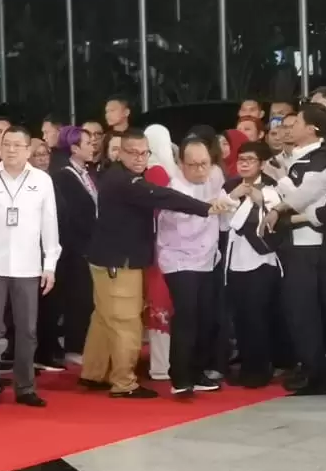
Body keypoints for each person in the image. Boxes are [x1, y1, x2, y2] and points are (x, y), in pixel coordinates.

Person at [81, 128, 221, 399]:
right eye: (132, 153)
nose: (139, 158)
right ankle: (124, 383)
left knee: (104, 318)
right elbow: (162, 196)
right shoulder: (125, 181)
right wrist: (205, 207)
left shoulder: (120, 176)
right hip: (119, 261)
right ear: (119, 153)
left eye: (144, 153)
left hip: (109, 259)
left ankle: (94, 372)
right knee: (126, 322)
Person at [0, 126, 59, 411]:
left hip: (28, 267)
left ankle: (25, 387)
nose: (11, 150)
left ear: (28, 150)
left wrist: (50, 265)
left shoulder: (42, 181)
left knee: (27, 330)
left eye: (18, 145)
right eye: (7, 144)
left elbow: (50, 226)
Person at [158, 138, 235, 396]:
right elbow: (186, 230)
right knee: (187, 316)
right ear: (181, 164)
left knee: (207, 317)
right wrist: (213, 207)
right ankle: (180, 377)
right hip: (180, 259)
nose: (201, 170)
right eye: (194, 165)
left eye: (205, 163)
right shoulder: (175, 189)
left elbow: (222, 220)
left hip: (208, 259)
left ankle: (198, 370)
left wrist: (224, 205)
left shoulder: (214, 178)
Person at [261, 104, 326, 395]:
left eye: (296, 122)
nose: (289, 128)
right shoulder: (297, 159)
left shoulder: (320, 157)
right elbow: (305, 193)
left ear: (312, 128)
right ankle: (312, 369)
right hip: (295, 244)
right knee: (299, 312)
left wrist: (280, 181)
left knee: (306, 312)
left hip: (310, 246)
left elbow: (310, 200)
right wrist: (279, 206)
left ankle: (316, 373)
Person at [223, 141, 283, 388]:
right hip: (234, 261)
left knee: (257, 317)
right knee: (240, 317)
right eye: (241, 159)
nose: (245, 164)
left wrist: (259, 201)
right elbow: (220, 220)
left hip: (261, 261)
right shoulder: (230, 187)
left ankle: (260, 370)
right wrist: (231, 197)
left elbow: (275, 221)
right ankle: (246, 366)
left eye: (250, 160)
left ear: (262, 163)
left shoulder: (270, 188)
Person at [52, 127, 98, 365]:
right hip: (75, 247)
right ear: (74, 148)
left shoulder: (87, 173)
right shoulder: (64, 176)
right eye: (88, 143)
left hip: (89, 244)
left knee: (87, 297)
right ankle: (74, 345)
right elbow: (70, 216)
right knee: (77, 297)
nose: (93, 146)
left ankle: (84, 343)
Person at [142, 125, 179, 382]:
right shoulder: (171, 171)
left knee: (158, 302)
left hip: (156, 247)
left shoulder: (154, 172)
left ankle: (160, 365)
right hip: (170, 246)